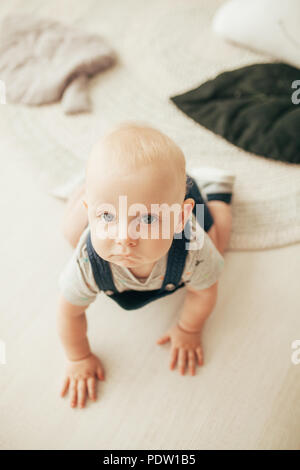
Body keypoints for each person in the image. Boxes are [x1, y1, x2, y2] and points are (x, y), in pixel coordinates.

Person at [57, 122, 236, 408]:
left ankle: (216, 190)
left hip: (191, 205)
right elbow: (69, 313)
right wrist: (78, 356)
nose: (124, 238)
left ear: (179, 219)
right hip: (128, 197)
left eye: (148, 220)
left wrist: (189, 329)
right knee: (69, 231)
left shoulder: (194, 247)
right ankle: (92, 186)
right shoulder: (87, 262)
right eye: (106, 216)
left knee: (219, 240)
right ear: (92, 213)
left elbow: (204, 292)